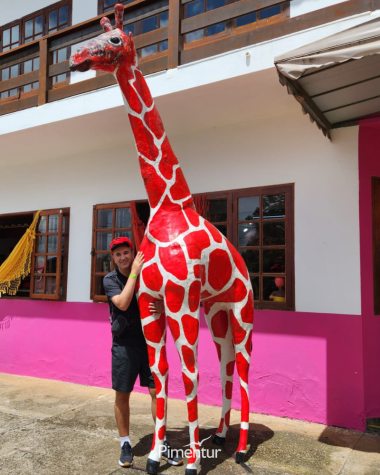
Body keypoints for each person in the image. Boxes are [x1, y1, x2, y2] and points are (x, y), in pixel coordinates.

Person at [103, 236, 183, 468]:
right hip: (124, 346)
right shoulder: (110, 279)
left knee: (156, 392)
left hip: (151, 343)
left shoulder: (148, 273)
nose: (123, 257)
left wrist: (163, 305)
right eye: (118, 255)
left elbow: (168, 296)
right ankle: (125, 443)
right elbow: (123, 303)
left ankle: (161, 441)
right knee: (122, 394)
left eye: (126, 252)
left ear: (133, 252)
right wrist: (135, 273)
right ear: (114, 259)